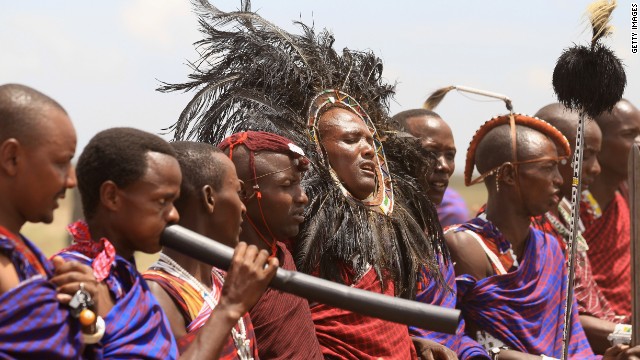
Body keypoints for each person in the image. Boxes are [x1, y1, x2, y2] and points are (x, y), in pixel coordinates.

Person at [161, 3, 446, 359]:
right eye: (350, 140)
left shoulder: (364, 236)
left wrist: (410, 344)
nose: (368, 151)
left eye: (370, 141)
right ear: (318, 154)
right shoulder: (287, 234)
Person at [56, 127, 277, 359]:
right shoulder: (73, 276)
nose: (173, 215)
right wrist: (230, 307)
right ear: (112, 197)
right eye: (161, 201)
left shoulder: (127, 281)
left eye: (173, 201)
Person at [445, 113, 598, 359]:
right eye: (548, 168)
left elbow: (573, 340)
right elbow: (457, 338)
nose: (559, 180)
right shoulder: (465, 246)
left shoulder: (549, 248)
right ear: (508, 175)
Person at [187, 131, 321, 360]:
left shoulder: (282, 252)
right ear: (243, 192)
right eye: (287, 185)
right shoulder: (224, 279)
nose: (302, 197)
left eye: (298, 184)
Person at [0, 83, 104, 358]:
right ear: (11, 158)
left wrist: (84, 309)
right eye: (61, 163)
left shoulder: (26, 254)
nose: (71, 181)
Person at [143, 141, 261, 357]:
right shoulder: (158, 294)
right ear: (209, 198)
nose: (243, 207)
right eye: (237, 192)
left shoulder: (224, 280)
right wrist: (230, 307)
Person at [393, 108, 488, 360]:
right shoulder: (383, 236)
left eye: (450, 155)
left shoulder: (435, 238)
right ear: (394, 155)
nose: (444, 166)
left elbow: (453, 334)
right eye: (430, 153)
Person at [534, 103, 627, 354]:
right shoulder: (527, 227)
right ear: (548, 153)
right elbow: (556, 320)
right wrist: (627, 334)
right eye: (585, 155)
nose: (596, 168)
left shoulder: (566, 215)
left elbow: (588, 306)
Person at [581, 99, 640, 321]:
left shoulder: (625, 196)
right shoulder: (564, 211)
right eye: (629, 134)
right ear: (597, 141)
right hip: (592, 334)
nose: (639, 142)